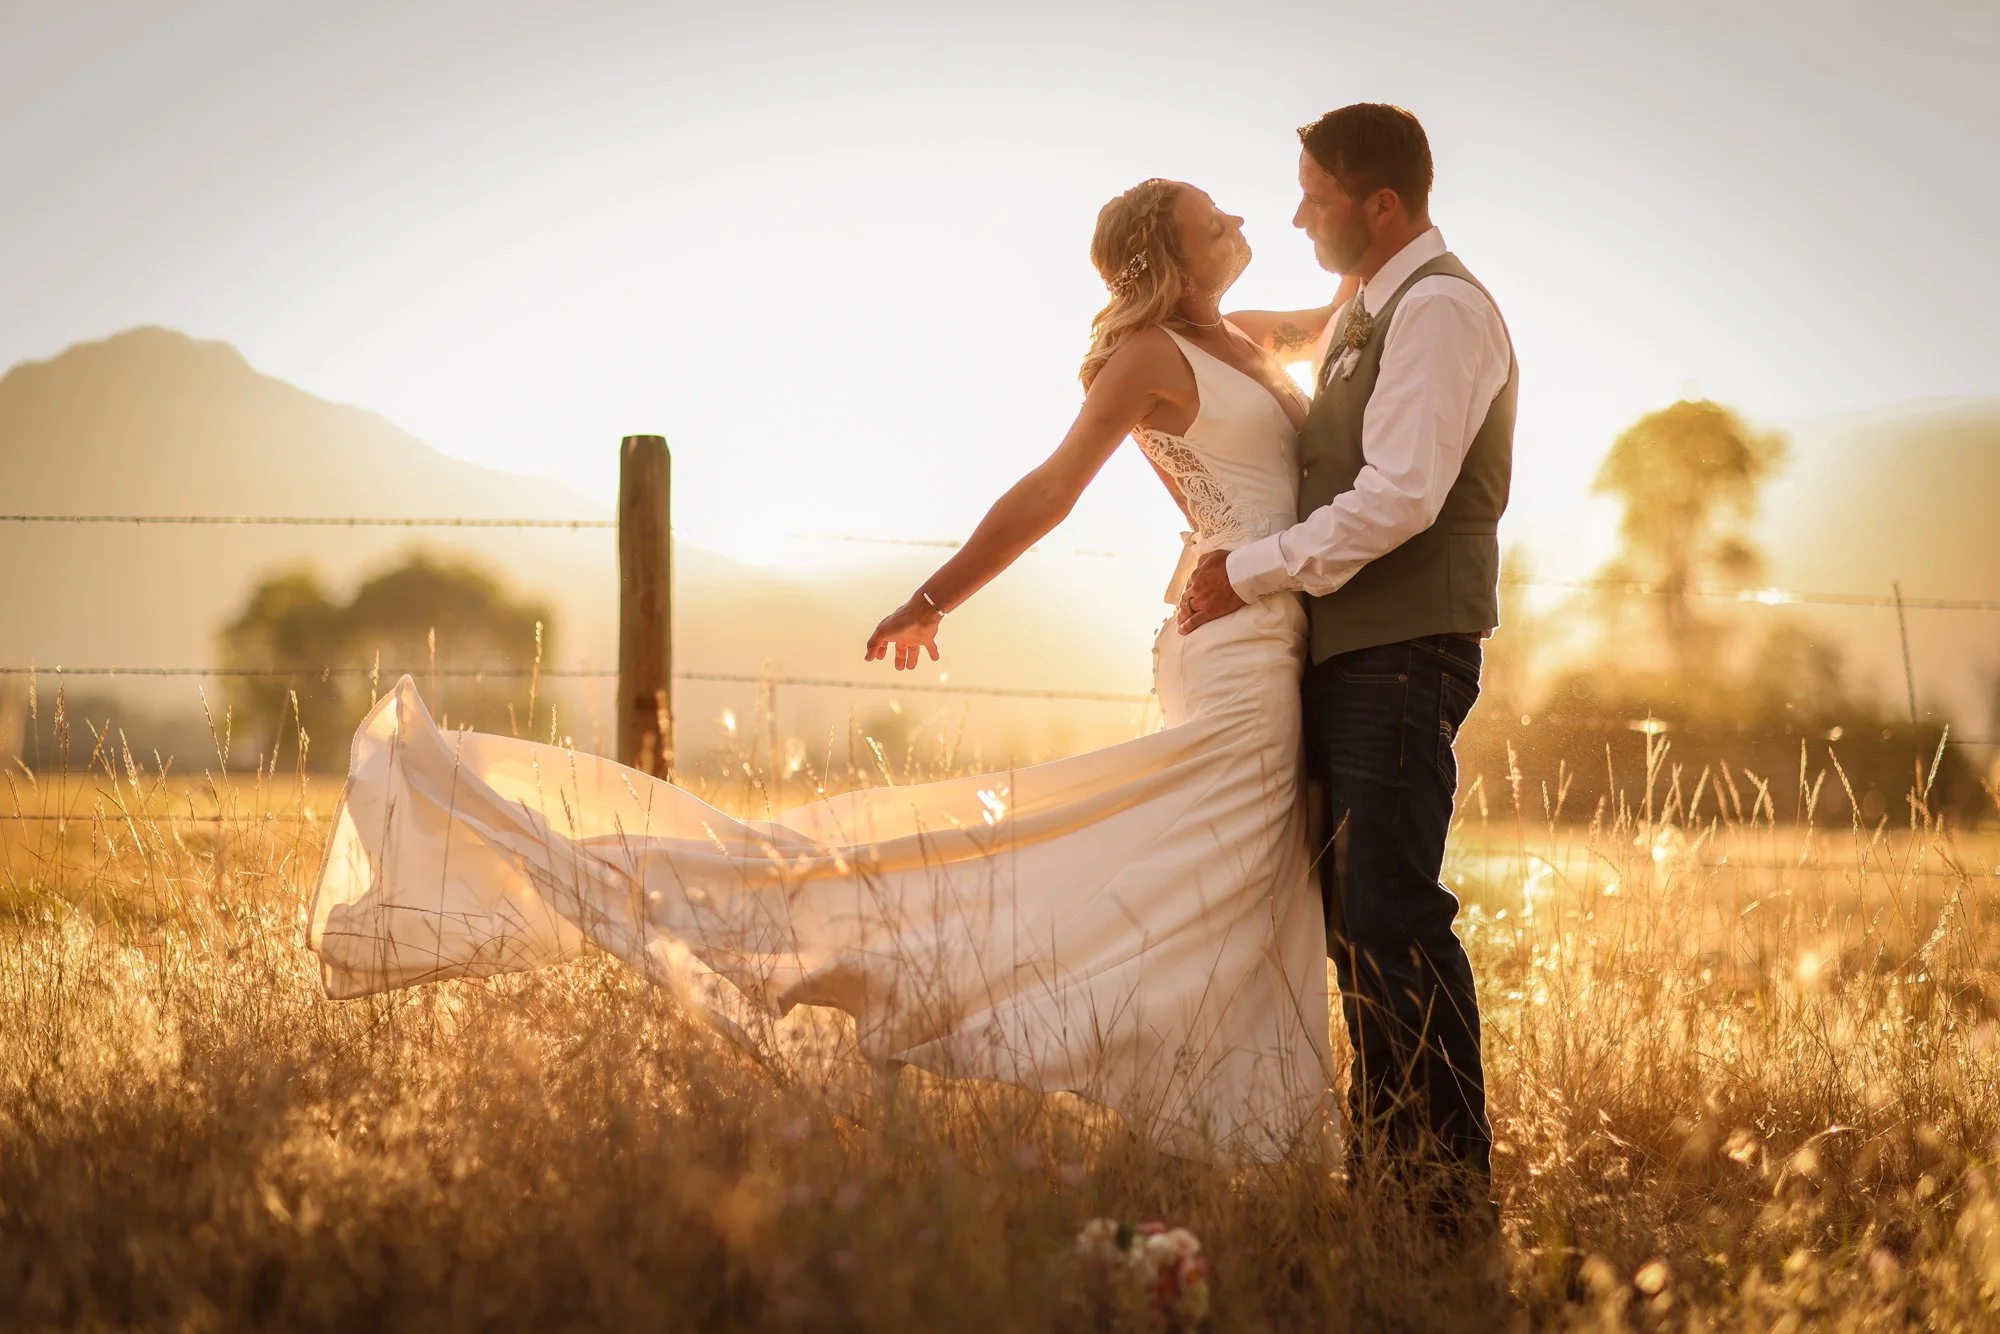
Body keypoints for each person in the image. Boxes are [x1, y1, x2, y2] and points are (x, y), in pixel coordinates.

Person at [310, 174, 1337, 1164]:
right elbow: (1050, 488)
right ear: (1165, 254)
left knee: (1239, 875)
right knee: (1198, 864)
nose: (1240, 219)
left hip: (1269, 619)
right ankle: (1027, 1017)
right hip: (1233, 639)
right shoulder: (1149, 355)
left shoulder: (1239, 336)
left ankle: (1245, 1130)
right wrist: (934, 596)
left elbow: (1352, 307)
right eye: (1215, 217)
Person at [1177, 103, 1517, 1218]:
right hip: (1352, 651)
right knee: (1356, 928)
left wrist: (1253, 566)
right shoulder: (1373, 304)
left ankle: (1444, 1202)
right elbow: (1303, 327)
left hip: (1403, 650)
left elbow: (1402, 496)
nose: (1293, 213)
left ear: (1379, 204)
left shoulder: (1441, 311)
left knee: (1391, 916)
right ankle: (1389, 1183)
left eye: (1314, 195)